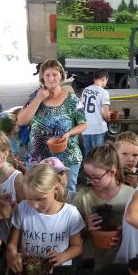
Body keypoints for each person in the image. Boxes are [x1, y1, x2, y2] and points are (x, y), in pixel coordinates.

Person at [17, 59, 87, 192]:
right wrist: (38, 99)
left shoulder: (72, 99)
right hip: (38, 157)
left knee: (67, 191)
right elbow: (21, 120)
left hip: (68, 156)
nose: (51, 78)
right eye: (47, 75)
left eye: (55, 74)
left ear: (61, 76)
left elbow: (83, 124)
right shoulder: (35, 96)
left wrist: (69, 133)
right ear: (42, 77)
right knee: (38, 191)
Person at [6, 164, 85, 270]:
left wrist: (63, 256)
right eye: (29, 198)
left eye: (40, 199)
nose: (34, 205)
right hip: (28, 269)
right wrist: (12, 254)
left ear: (55, 189)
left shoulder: (70, 214)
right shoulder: (22, 208)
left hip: (58, 271)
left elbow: (77, 247)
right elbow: (12, 243)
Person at [73, 143, 135, 252]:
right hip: (90, 258)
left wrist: (126, 236)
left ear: (112, 172)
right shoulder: (83, 197)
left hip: (122, 257)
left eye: (96, 177)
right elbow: (69, 231)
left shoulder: (131, 194)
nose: (91, 181)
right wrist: (86, 227)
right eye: (88, 176)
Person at [80, 69, 111, 154]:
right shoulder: (104, 92)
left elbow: (80, 108)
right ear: (104, 79)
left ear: (94, 79)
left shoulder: (85, 90)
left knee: (88, 155)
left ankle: (87, 168)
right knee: (98, 155)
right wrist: (107, 118)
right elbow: (106, 114)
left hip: (85, 128)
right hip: (98, 128)